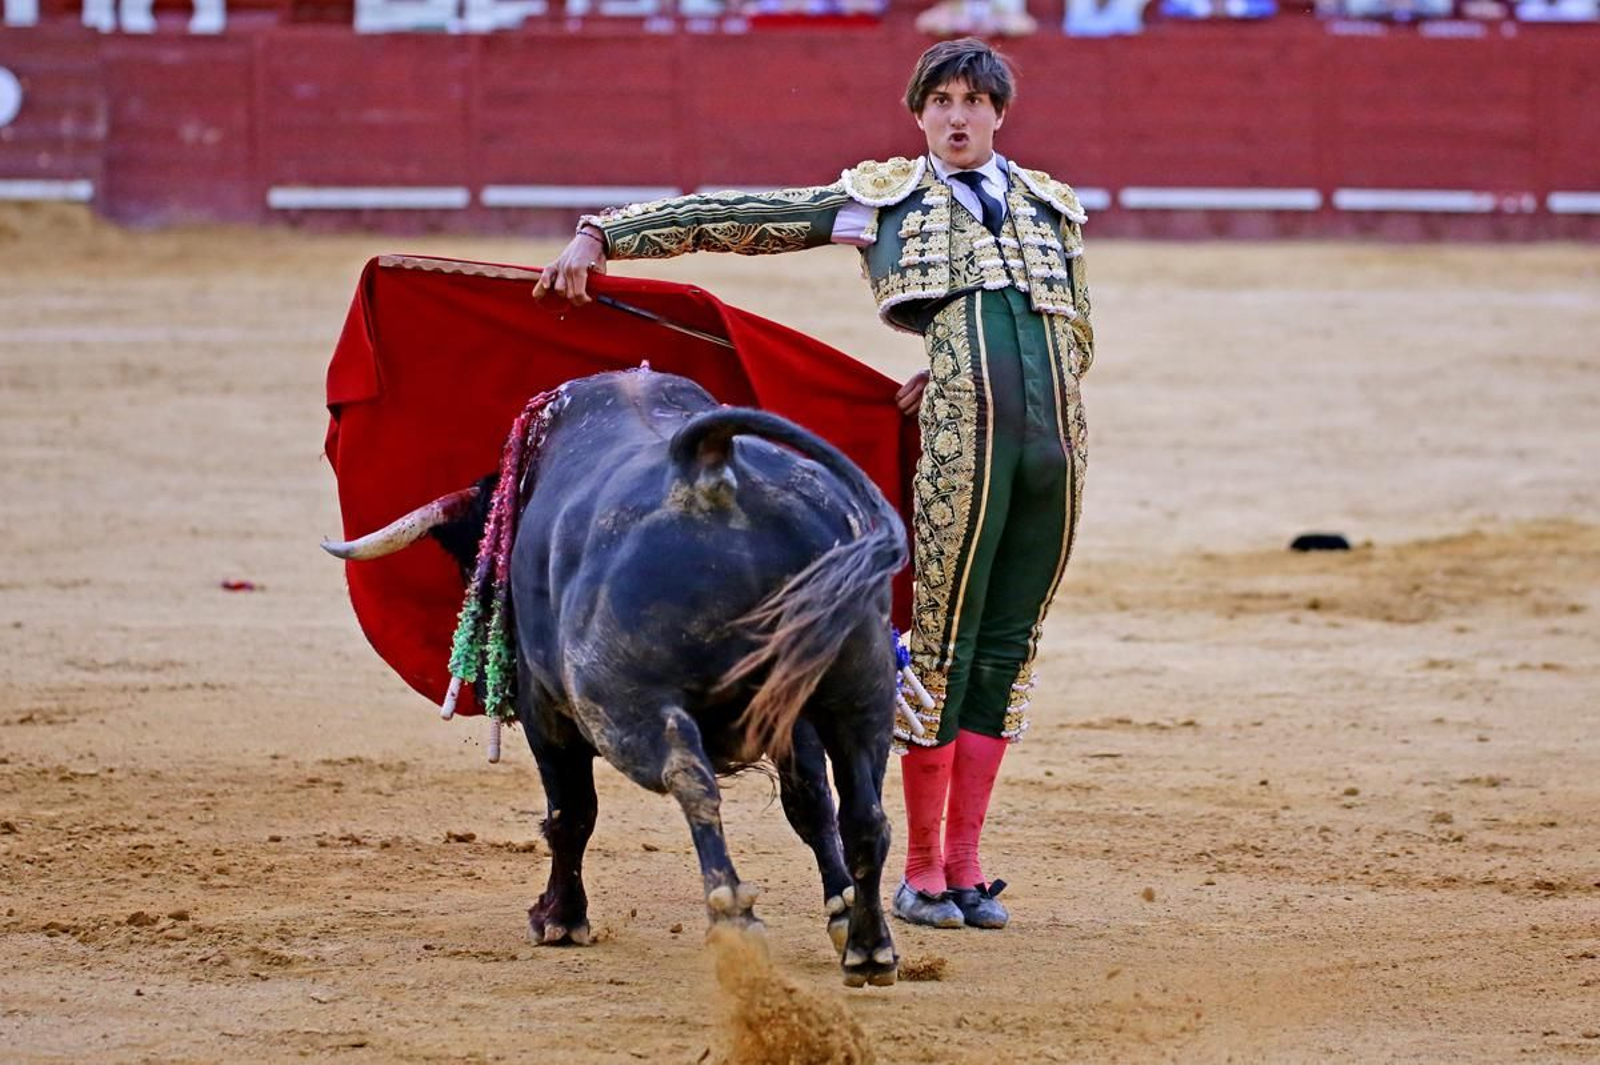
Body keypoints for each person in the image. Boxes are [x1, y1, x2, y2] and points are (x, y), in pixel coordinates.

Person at [535, 37, 1094, 931]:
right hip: (962, 448)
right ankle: (916, 871)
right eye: (940, 100)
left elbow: (1077, 338)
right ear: (918, 114)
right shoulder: (878, 204)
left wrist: (973, 368)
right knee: (943, 645)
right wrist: (605, 232)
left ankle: (967, 864)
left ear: (999, 112)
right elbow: (739, 217)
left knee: (1010, 648)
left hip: (1057, 448)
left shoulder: (1052, 208)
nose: (957, 116)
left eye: (973, 101)